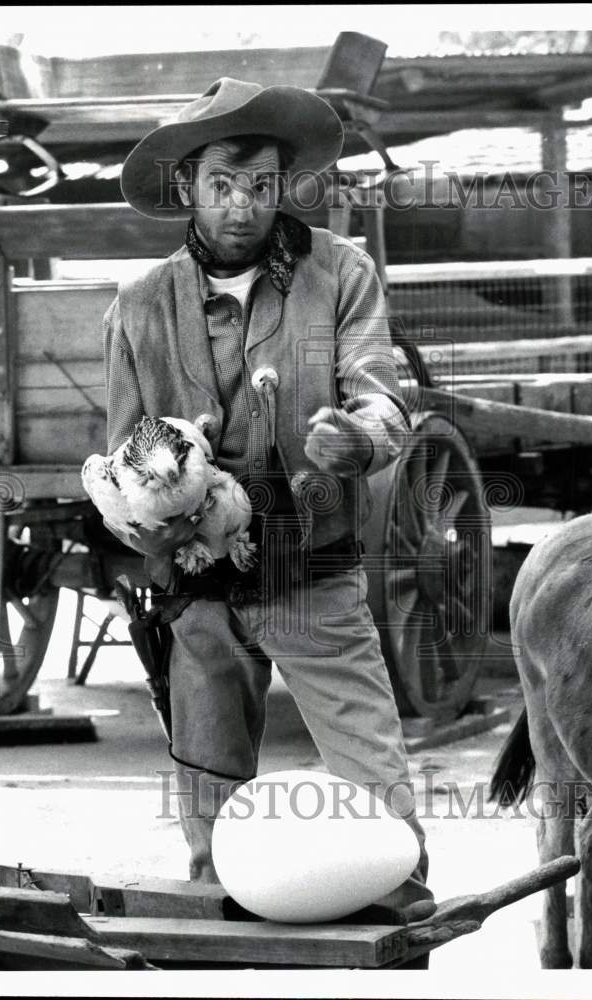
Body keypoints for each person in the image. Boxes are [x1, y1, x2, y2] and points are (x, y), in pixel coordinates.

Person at [102, 77, 434, 933]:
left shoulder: (339, 272)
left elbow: (377, 393)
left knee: (388, 826)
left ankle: (404, 961)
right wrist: (152, 513)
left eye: (261, 185)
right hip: (201, 598)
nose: (242, 206)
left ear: (284, 185)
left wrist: (359, 441)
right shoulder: (140, 308)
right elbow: (121, 462)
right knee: (214, 857)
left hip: (316, 579)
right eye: (221, 185)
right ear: (186, 187)